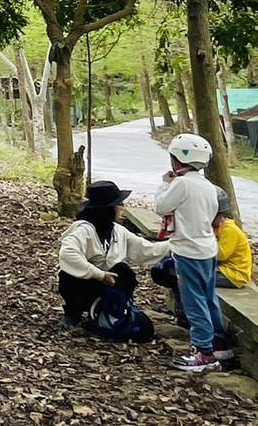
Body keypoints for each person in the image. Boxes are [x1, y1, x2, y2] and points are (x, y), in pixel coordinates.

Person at [154, 133, 230, 372]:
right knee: (209, 297)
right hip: (207, 249)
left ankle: (203, 353)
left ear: (176, 160)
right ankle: (219, 345)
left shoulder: (182, 183)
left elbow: (161, 206)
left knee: (194, 301)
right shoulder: (208, 186)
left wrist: (165, 183)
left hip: (189, 251)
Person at [57, 180, 168, 342]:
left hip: (108, 288)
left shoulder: (118, 232)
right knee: (69, 277)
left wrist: (176, 245)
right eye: (118, 204)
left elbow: (146, 250)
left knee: (124, 271)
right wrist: (99, 275)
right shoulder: (83, 231)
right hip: (84, 285)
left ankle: (110, 310)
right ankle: (73, 313)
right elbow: (67, 255)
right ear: (107, 209)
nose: (122, 207)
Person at [152, 187, 251, 327]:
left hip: (233, 274)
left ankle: (189, 316)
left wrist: (201, 243)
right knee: (172, 270)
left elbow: (220, 255)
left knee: (189, 277)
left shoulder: (230, 230)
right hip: (219, 268)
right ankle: (183, 312)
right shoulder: (216, 228)